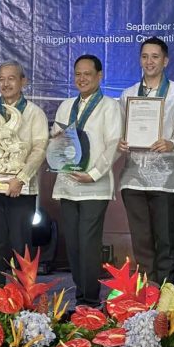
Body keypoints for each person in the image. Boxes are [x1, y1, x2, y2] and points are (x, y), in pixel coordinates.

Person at [118, 37, 174, 283]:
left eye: (155, 56)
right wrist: (120, 141)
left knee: (165, 239)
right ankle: (146, 292)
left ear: (165, 61)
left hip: (165, 177)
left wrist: (172, 143)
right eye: (145, 56)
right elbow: (120, 130)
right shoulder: (128, 94)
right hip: (134, 177)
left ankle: (165, 293)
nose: (149, 61)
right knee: (141, 240)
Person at [52, 55, 122, 306]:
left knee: (89, 243)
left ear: (99, 76)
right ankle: (80, 294)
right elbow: (57, 141)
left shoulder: (110, 106)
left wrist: (93, 173)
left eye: (87, 74)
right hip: (68, 184)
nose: (82, 79)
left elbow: (114, 144)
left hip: (95, 185)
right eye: (78, 74)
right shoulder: (65, 105)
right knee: (73, 244)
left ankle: (90, 300)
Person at [0, 61, 49, 289]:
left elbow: (40, 148)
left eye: (11, 78)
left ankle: (24, 296)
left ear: (23, 81)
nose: (6, 83)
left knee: (21, 244)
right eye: (1, 79)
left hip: (22, 188)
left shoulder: (34, 113)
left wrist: (22, 177)